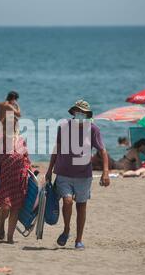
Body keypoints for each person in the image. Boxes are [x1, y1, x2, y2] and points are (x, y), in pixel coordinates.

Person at [45, 100, 110, 250]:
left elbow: (102, 151)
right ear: (74, 112)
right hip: (63, 173)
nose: (80, 114)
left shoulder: (93, 129)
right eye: (78, 111)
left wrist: (105, 173)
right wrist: (49, 170)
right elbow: (57, 149)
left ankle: (78, 240)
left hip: (84, 175)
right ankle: (67, 229)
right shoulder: (64, 127)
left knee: (81, 206)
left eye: (83, 113)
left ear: (87, 115)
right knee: (67, 201)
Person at [0, 116, 30, 244]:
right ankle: (1, 222)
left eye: (14, 125)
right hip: (4, 178)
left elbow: (26, 158)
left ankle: (10, 238)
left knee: (15, 208)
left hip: (19, 178)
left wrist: (31, 171)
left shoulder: (21, 141)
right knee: (5, 207)